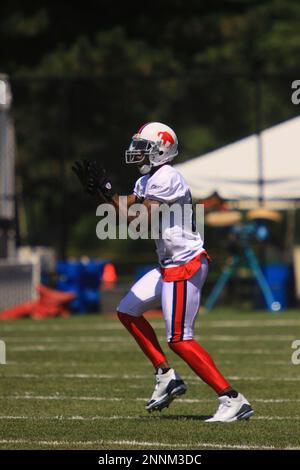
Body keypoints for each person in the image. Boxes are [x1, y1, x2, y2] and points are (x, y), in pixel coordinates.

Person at [72, 122, 254, 422]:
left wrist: (106, 194)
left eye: (143, 147)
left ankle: (232, 398)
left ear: (160, 150)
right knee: (127, 310)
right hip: (168, 265)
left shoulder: (167, 177)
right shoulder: (150, 179)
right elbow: (125, 207)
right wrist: (100, 193)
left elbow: (137, 220)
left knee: (180, 339)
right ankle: (166, 374)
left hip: (185, 266)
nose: (137, 152)